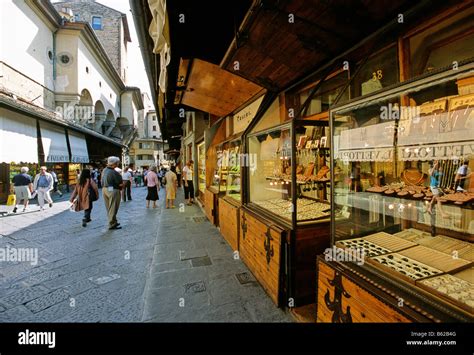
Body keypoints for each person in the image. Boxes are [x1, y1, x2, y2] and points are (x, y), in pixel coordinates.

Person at [101, 157, 123, 230]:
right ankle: (112, 223)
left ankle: (114, 221)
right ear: (114, 163)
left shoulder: (104, 170)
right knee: (113, 207)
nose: (118, 164)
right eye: (117, 162)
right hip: (113, 190)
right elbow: (120, 183)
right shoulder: (114, 172)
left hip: (104, 189)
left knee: (109, 207)